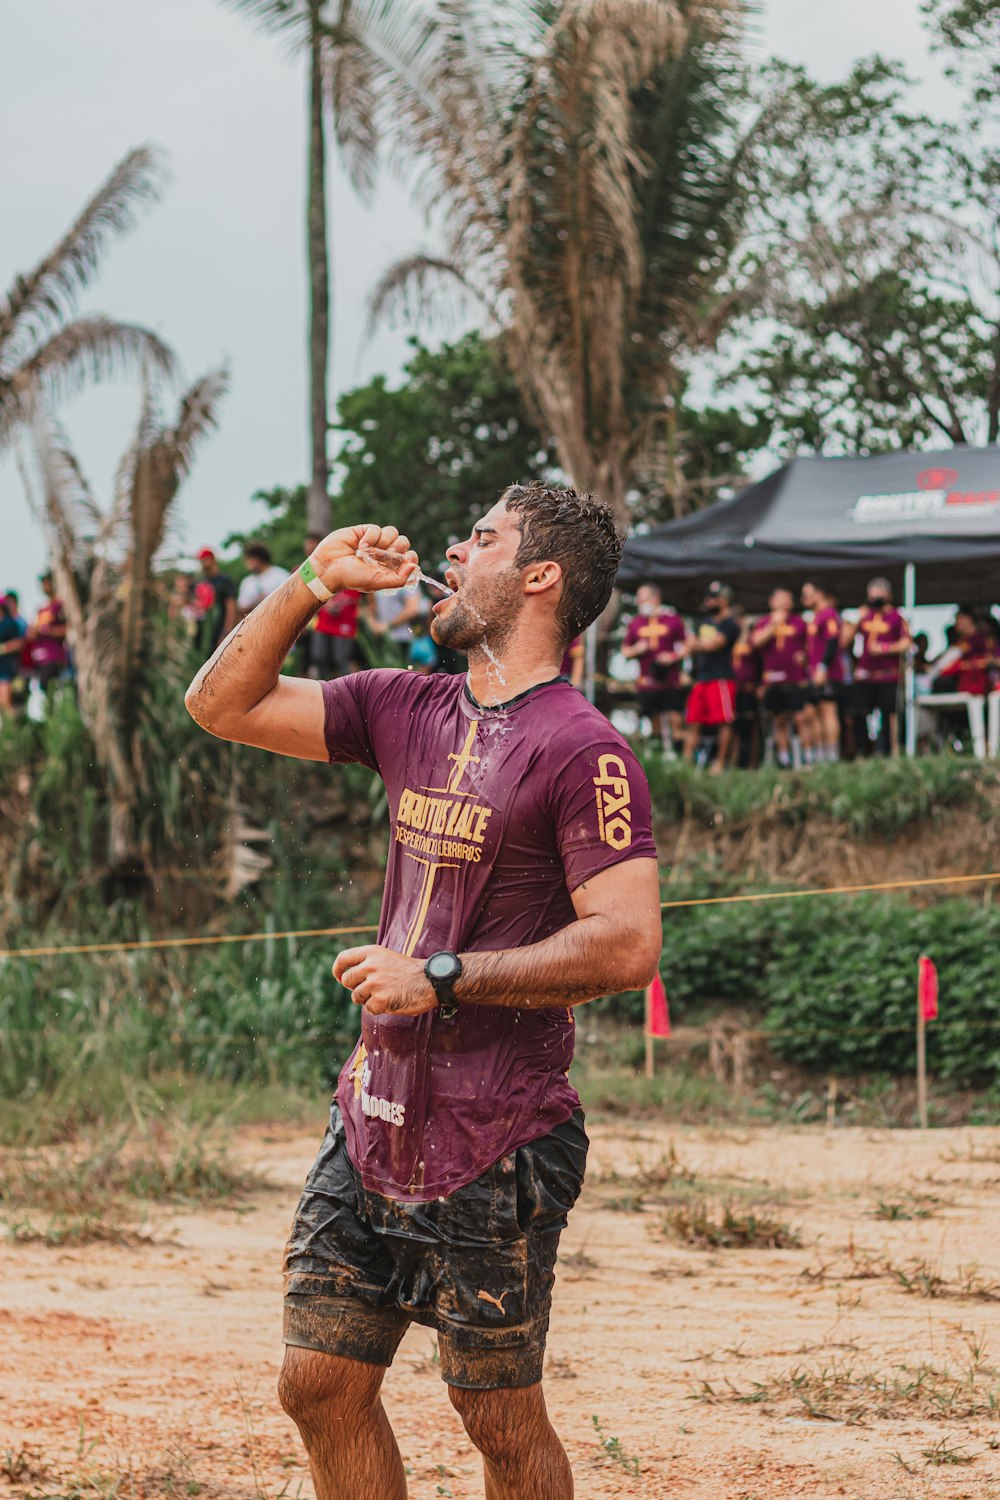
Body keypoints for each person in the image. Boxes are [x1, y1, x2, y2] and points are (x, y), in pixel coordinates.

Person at [184, 483, 661, 1500]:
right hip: (372, 1113)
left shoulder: (584, 748)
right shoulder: (406, 706)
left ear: (539, 578)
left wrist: (438, 977)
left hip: (501, 1136)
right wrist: (311, 582)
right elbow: (218, 705)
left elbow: (626, 946)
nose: (451, 547)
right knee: (316, 1384)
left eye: (479, 537)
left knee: (494, 1416)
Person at [844, 577, 910, 757]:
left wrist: (886, 648)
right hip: (865, 676)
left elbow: (906, 642)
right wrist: (857, 618)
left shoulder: (896, 617)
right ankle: (863, 751)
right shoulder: (864, 616)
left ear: (888, 595)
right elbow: (844, 641)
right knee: (858, 712)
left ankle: (889, 751)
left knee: (889, 713)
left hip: (888, 675)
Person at [620, 583, 687, 749]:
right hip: (647, 683)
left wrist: (673, 656)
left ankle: (677, 753)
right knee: (653, 719)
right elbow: (625, 651)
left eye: (643, 599)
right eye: (639, 600)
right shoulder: (636, 623)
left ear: (655, 599)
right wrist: (637, 649)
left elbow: (688, 645)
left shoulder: (673, 620)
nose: (640, 603)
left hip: (670, 682)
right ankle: (659, 753)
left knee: (675, 719)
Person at [682, 581, 740, 772]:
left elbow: (715, 645)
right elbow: (692, 647)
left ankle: (720, 763)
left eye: (713, 597)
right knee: (693, 721)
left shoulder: (730, 624)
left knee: (723, 722)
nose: (708, 601)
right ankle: (686, 763)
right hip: (701, 679)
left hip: (721, 679)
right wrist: (699, 644)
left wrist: (697, 644)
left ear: (723, 600)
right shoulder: (703, 623)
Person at [751, 588, 810, 767]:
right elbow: (756, 642)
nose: (785, 602)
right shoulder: (763, 622)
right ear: (772, 601)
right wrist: (773, 625)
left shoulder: (799, 622)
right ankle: (784, 759)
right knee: (779, 719)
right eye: (781, 598)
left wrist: (804, 657)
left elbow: (811, 647)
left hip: (795, 679)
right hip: (772, 681)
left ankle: (807, 756)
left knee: (800, 718)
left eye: (788, 598)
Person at [302, 530, 364, 678]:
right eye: (307, 547)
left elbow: (359, 591)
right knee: (318, 657)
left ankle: (350, 692)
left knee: (341, 659)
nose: (309, 550)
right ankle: (322, 693)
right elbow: (306, 592)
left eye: (312, 547)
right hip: (323, 622)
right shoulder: (306, 569)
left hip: (344, 622)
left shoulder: (341, 563)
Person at [802, 583, 845, 763]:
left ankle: (832, 754)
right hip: (814, 673)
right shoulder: (816, 617)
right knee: (814, 711)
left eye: (809, 593)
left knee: (828, 710)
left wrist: (823, 667)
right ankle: (820, 754)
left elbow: (833, 641)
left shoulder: (829, 614)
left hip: (827, 673)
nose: (805, 597)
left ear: (820, 594)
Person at [24, 571, 69, 688]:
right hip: (39, 660)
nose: (44, 587)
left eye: (47, 583)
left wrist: (48, 631)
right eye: (42, 584)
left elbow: (69, 629)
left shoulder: (60, 605)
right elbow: (31, 633)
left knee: (54, 689)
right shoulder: (41, 609)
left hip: (55, 658)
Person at [730, 608, 761, 769]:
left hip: (749, 691)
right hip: (734, 691)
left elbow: (760, 663)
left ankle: (753, 763)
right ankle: (734, 762)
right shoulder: (730, 641)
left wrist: (759, 684)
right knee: (735, 727)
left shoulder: (753, 641)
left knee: (752, 727)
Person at [193, 548, 237, 654]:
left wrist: (226, 632)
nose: (202, 563)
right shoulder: (201, 580)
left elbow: (230, 607)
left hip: (218, 629)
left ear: (212, 559)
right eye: (201, 560)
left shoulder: (224, 581)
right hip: (203, 632)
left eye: (204, 560)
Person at [237, 543, 290, 617]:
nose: (247, 562)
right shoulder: (247, 582)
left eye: (250, 557)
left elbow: (291, 597)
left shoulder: (280, 575)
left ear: (260, 557)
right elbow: (242, 608)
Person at [0, 594, 26, 716]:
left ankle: (12, 734)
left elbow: (19, 643)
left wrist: (3, 648)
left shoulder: (10, 623)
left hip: (7, 671)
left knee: (7, 706)